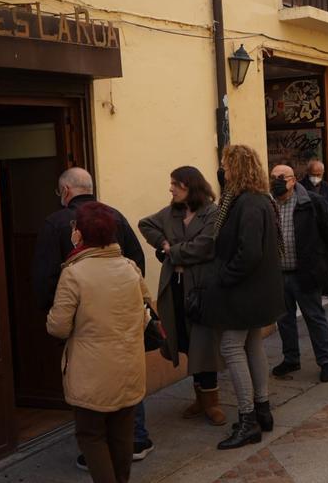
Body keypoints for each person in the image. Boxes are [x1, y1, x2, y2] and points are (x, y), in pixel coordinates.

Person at [31, 167, 153, 470]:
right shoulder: (120, 233)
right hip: (126, 344)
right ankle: (139, 438)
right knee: (124, 414)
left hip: (86, 340)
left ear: (66, 191)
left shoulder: (60, 236)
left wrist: (56, 312)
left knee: (91, 427)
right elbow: (140, 267)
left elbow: (45, 281)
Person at [202, 145, 284, 449]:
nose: (222, 170)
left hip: (244, 290)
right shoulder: (257, 199)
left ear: (237, 168)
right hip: (257, 289)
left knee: (231, 346)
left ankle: (248, 419)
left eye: (226, 164)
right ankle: (262, 410)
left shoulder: (247, 203)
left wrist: (223, 277)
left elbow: (249, 252)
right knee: (252, 343)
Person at [138, 166, 225, 426]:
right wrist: (163, 245)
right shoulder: (171, 212)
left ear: (190, 186)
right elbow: (145, 224)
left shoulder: (212, 212)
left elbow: (205, 247)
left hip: (201, 288)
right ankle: (200, 398)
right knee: (186, 341)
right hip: (174, 287)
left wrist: (171, 252)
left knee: (204, 343)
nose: (171, 188)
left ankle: (212, 403)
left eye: (176, 184)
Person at [269, 164, 328, 382]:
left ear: (293, 180)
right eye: (273, 177)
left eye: (281, 177)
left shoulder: (311, 202)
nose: (276, 181)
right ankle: (291, 359)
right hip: (279, 274)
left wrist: (323, 264)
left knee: (314, 317)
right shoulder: (268, 205)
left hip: (306, 273)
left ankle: (326, 362)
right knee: (284, 319)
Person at [299, 159, 328, 298]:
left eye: (319, 174)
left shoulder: (327, 187)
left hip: (327, 228)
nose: (316, 177)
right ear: (308, 172)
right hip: (311, 229)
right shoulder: (301, 187)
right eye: (314, 173)